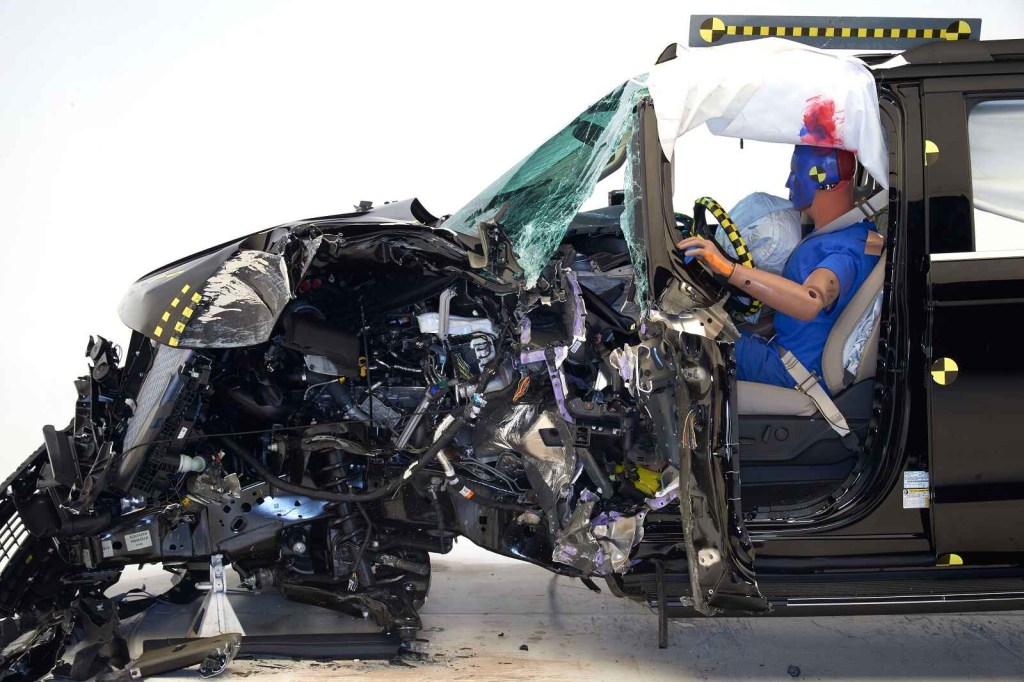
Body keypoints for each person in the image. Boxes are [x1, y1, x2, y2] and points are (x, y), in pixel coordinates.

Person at [676, 145, 879, 393]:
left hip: (791, 371)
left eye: (796, 174)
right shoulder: (854, 231)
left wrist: (729, 269)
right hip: (788, 353)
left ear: (823, 181)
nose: (788, 183)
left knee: (684, 341)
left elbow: (811, 300)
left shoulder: (844, 251)